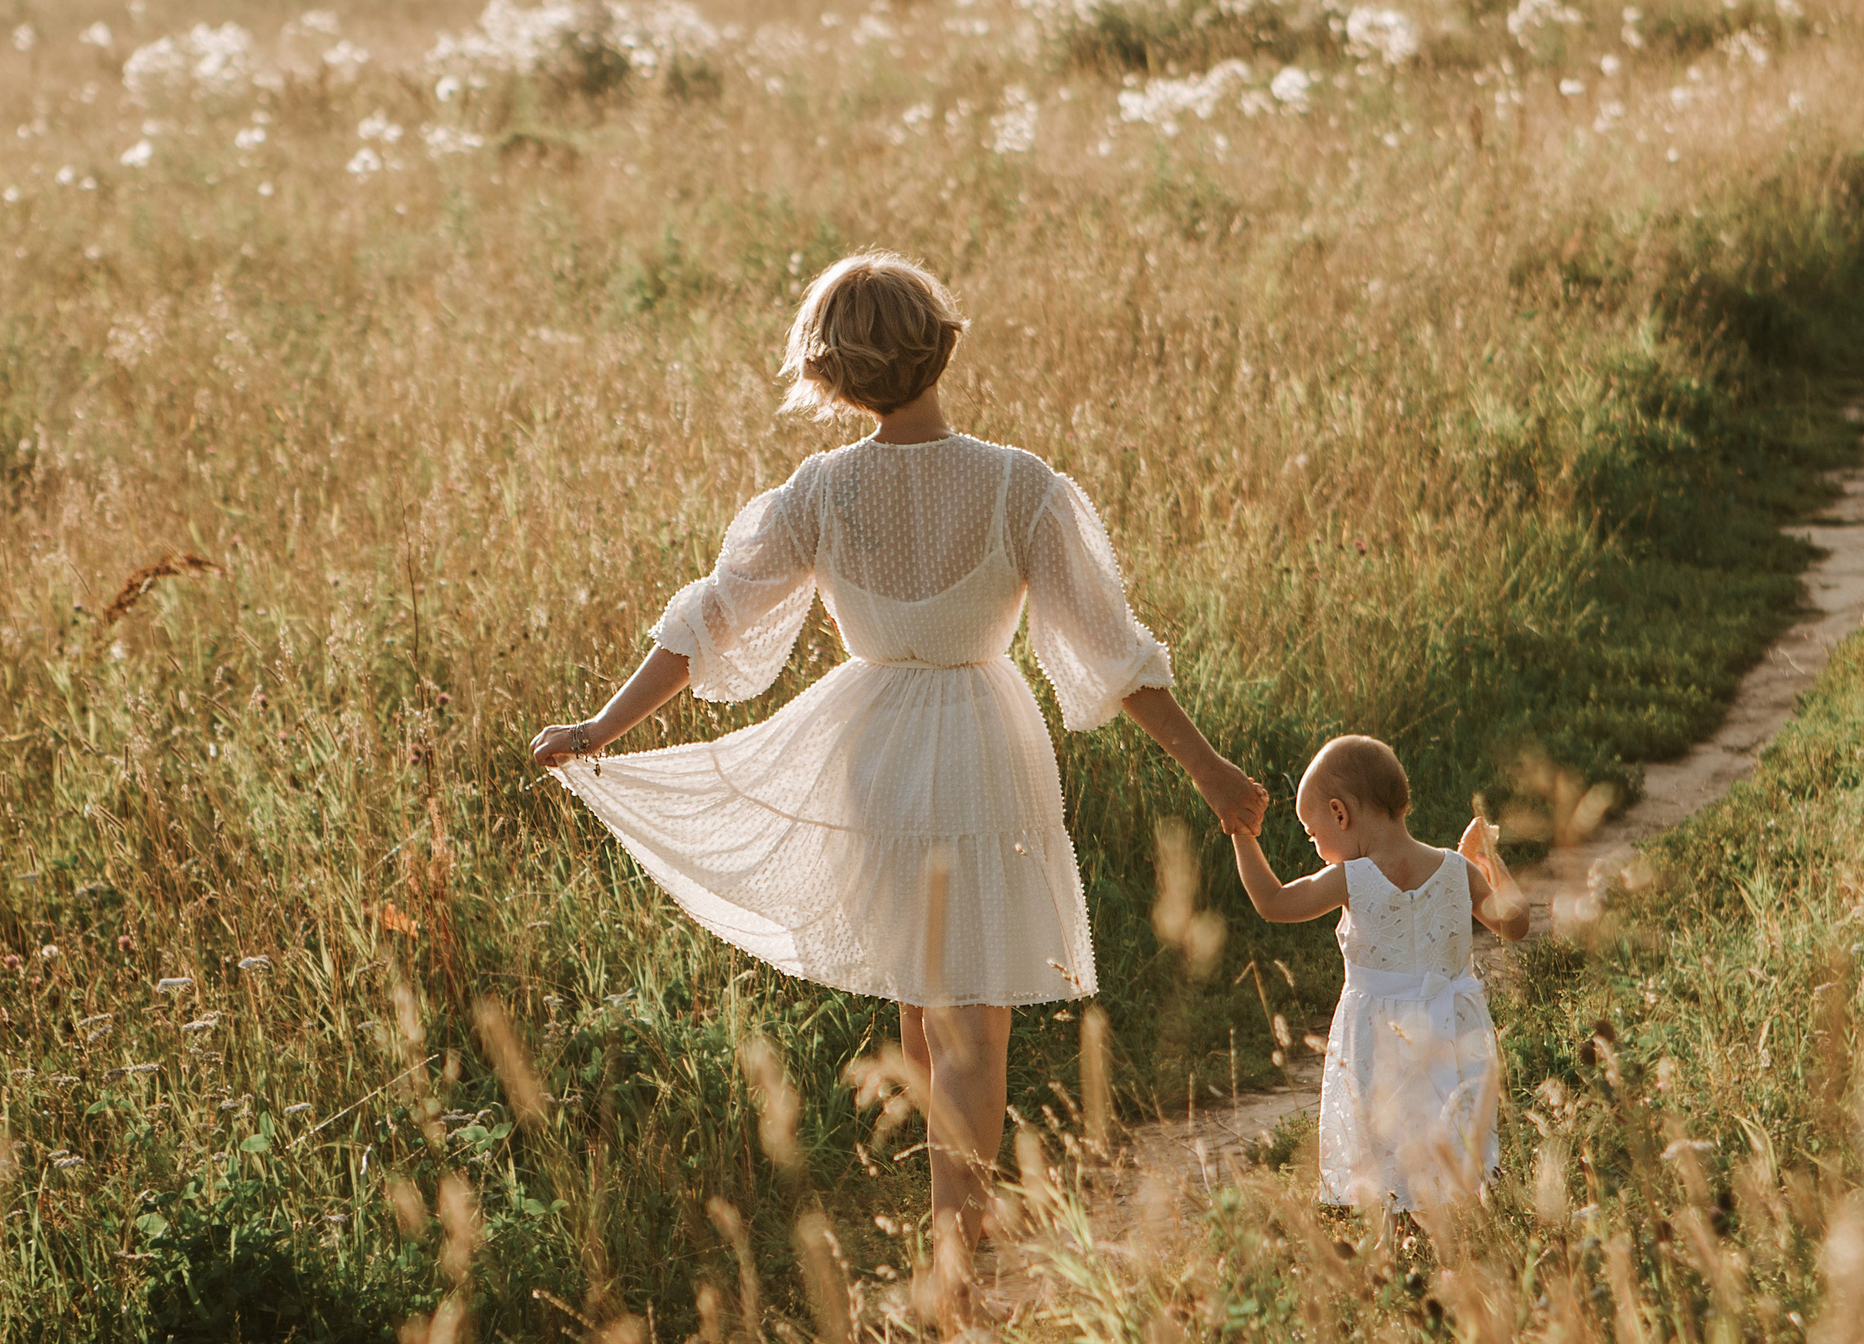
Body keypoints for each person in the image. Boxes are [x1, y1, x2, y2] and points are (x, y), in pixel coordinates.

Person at [530, 251, 1257, 1258]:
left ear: (829, 377)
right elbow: (1110, 654)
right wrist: (1207, 766)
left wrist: (598, 729)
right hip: (977, 743)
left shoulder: (820, 492)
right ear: (944, 343)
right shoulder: (1018, 487)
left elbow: (709, 623)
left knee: (929, 1003)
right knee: (971, 1021)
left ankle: (955, 1227)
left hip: (867, 750)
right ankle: (963, 1249)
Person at [1227, 735, 1530, 1214]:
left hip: (1379, 1037)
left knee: (1386, 1138)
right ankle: (1468, 1219)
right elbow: (1515, 923)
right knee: (1457, 1123)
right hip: (1453, 1028)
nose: (1318, 847)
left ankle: (1394, 1229)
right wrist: (1485, 858)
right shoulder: (1457, 871)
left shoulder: (1351, 878)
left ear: (1340, 813)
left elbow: (1273, 901)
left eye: (1313, 833)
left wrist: (1240, 834)